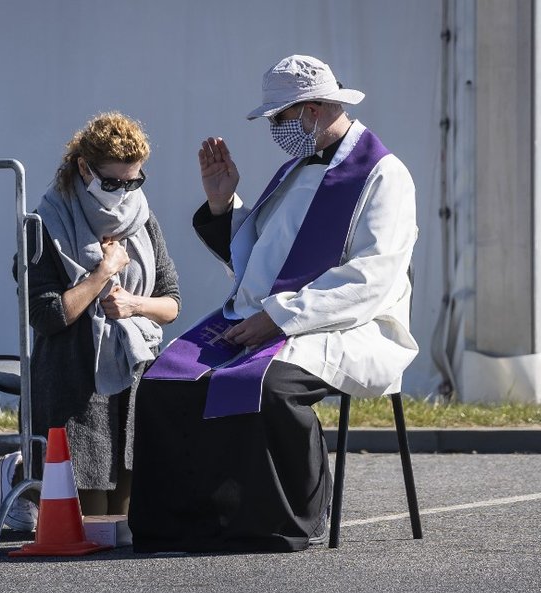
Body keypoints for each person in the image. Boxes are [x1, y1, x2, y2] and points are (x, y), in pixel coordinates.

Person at [128, 55, 418, 552]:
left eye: (281, 118)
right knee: (162, 384)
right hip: (263, 315)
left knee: (268, 386)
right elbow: (260, 256)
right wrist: (223, 204)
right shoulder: (294, 171)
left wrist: (280, 319)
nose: (275, 129)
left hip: (348, 323)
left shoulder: (384, 176)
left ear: (317, 109)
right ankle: (188, 523)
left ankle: (291, 521)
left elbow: (370, 277)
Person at [0, 112, 181, 531]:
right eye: (112, 183)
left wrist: (133, 304)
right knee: (90, 526)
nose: (123, 192)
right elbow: (45, 316)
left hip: (132, 375)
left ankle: (24, 471)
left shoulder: (143, 219)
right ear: (84, 169)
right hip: (72, 379)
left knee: (128, 529)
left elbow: (171, 302)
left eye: (133, 181)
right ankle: (21, 473)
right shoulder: (45, 224)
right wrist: (102, 272)